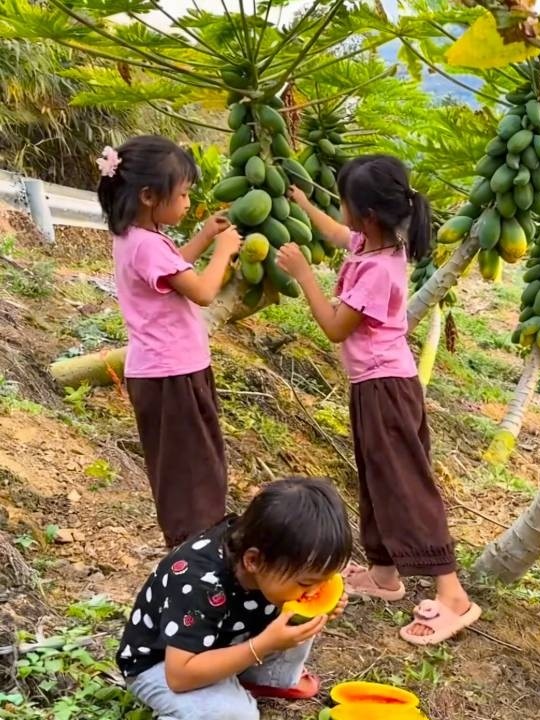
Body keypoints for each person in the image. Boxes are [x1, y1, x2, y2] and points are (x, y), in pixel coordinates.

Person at [278, 155, 481, 647]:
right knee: (375, 477)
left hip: (386, 387)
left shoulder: (378, 271)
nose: (340, 212)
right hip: (373, 385)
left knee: (405, 486)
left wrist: (304, 275)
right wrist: (302, 201)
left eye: (344, 202)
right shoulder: (370, 244)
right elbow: (333, 232)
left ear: (366, 213)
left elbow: (333, 327)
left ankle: (452, 594)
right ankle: (385, 573)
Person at [98, 137, 240, 549]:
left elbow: (173, 265)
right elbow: (201, 291)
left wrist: (203, 236)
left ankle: (196, 544)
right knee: (193, 472)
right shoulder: (146, 244)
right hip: (171, 375)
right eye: (181, 195)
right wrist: (224, 251)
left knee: (191, 466)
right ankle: (194, 552)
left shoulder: (137, 237)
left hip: (168, 371)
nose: (185, 202)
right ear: (147, 196)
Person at [118, 477, 352, 720]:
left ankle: (262, 680)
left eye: (324, 580)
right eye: (306, 582)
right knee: (236, 715)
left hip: (227, 640)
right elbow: (179, 678)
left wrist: (323, 607)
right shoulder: (201, 582)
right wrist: (263, 645)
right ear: (253, 561)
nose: (315, 591)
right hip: (164, 664)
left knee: (296, 615)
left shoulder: (267, 545)